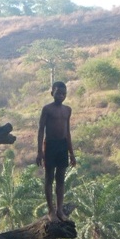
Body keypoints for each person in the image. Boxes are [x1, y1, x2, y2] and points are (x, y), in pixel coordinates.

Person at [36, 81, 76, 222]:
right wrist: (39, 151)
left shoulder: (67, 110)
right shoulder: (47, 109)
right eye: (58, 93)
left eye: (64, 93)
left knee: (60, 179)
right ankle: (51, 211)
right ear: (52, 92)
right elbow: (41, 130)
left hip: (63, 145)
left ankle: (59, 210)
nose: (61, 96)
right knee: (49, 178)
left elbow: (68, 132)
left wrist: (71, 153)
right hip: (50, 145)